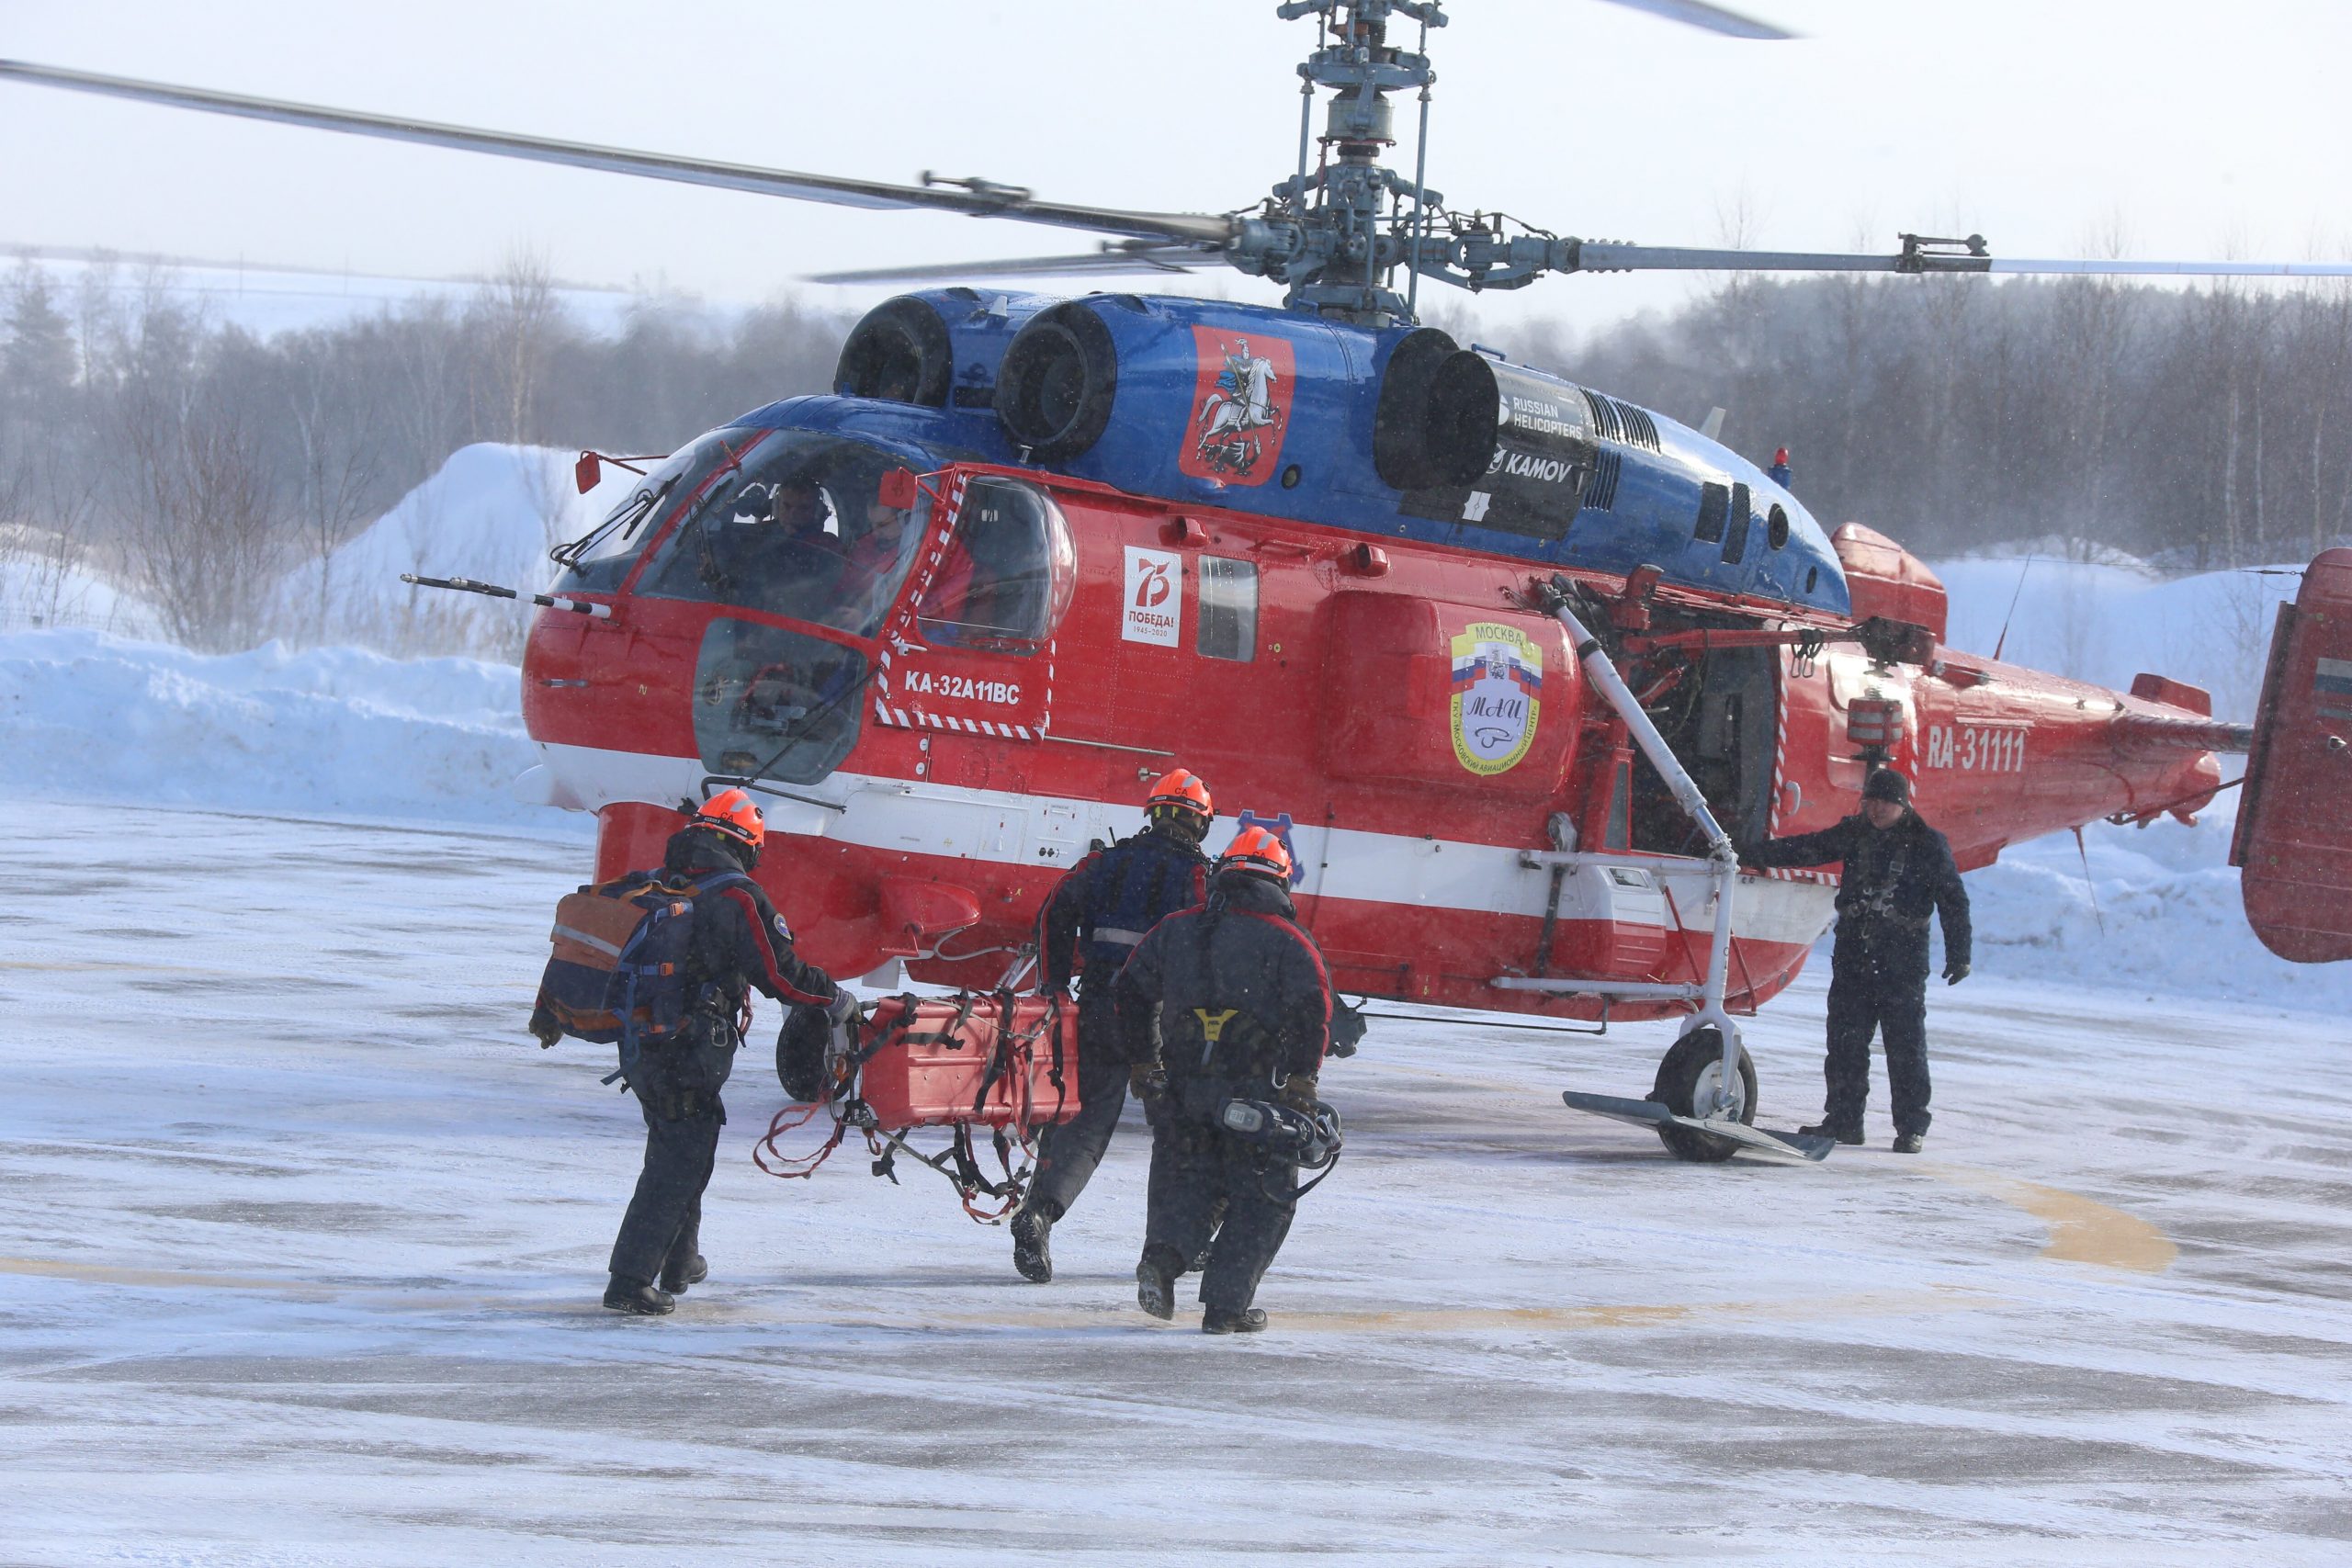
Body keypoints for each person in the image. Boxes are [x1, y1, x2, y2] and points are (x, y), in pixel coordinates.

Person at [537, 788, 854, 1314]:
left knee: (681, 1148)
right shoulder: (736, 897)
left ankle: (680, 1261)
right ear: (746, 844)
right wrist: (837, 998)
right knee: (678, 1163)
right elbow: (781, 975)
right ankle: (629, 1280)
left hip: (643, 1047)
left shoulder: (664, 881)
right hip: (688, 1048)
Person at [1114, 825, 1333, 1334]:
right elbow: (1313, 1016)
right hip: (1258, 1098)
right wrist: (1303, 1082)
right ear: (1279, 880)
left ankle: (1163, 1264)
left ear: (1221, 875)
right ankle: (1225, 1309)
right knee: (1264, 1196)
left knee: (1183, 1184)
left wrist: (1145, 1062)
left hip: (1181, 1089)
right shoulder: (1290, 941)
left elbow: (1129, 993)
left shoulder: (1174, 927)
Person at [1007, 770, 1216, 1283]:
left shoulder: (1105, 862)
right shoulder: (1197, 877)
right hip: (1165, 1022)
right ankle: (1181, 1244)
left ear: (1153, 813)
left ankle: (1040, 1213)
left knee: (1084, 1125)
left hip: (1099, 1007)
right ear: (1199, 822)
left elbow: (1055, 910)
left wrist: (1056, 982)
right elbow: (1208, 945)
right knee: (1179, 1135)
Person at [1743, 768, 1971, 1154]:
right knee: (1845, 1044)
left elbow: (1952, 899)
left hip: (1901, 964)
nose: (1876, 809)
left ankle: (1911, 1127)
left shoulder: (1928, 843)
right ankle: (1845, 1120)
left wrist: (1959, 954)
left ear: (1902, 804)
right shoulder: (1855, 832)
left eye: (1884, 802)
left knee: (1905, 1048)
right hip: (1854, 959)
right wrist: (1749, 852)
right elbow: (1806, 849)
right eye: (1870, 801)